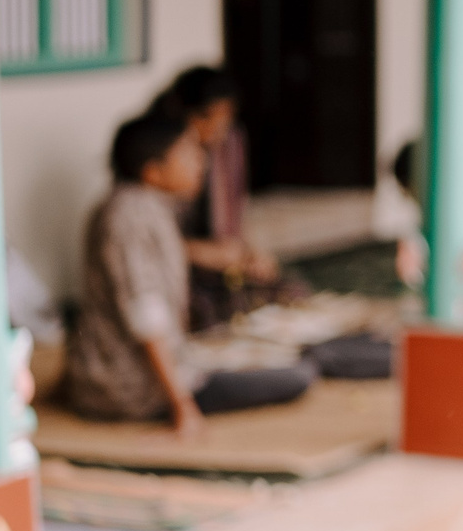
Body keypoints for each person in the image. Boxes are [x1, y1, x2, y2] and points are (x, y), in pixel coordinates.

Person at [63, 111, 314, 431]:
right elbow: (146, 314)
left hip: (140, 373)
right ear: (153, 171)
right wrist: (182, 405)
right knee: (297, 375)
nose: (201, 162)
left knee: (284, 357)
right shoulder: (130, 216)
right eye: (187, 154)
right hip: (132, 388)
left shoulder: (141, 206)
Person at [152, 65, 281, 328]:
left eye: (226, 120)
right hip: (172, 274)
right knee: (208, 313)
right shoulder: (160, 157)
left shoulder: (228, 144)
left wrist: (248, 254)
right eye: (207, 118)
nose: (218, 130)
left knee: (281, 290)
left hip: (215, 267)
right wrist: (199, 252)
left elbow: (233, 223)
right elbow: (146, 245)